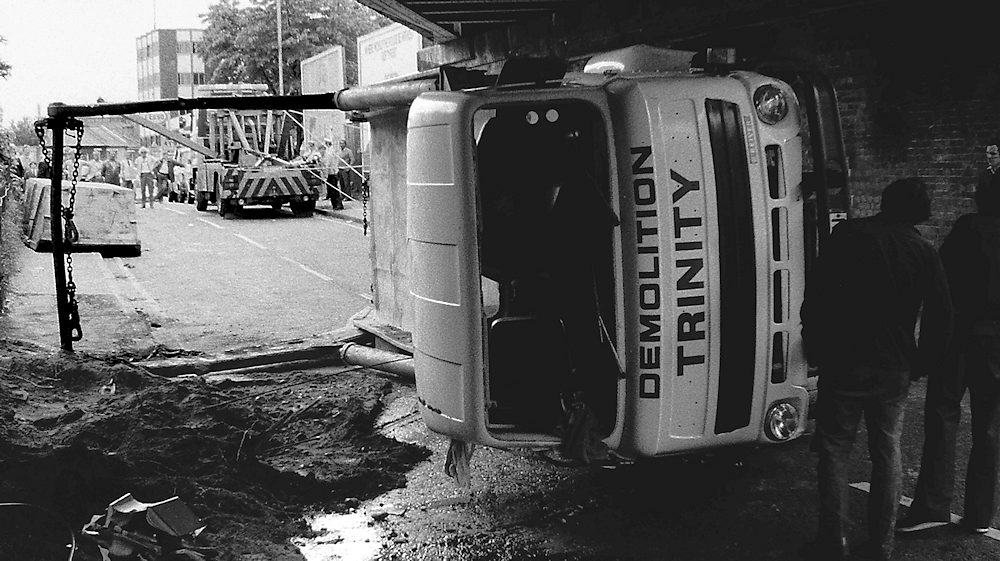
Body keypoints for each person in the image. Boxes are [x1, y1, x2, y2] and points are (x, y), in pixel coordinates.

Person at [802, 177, 953, 560]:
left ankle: (833, 540)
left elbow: (817, 293)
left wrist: (816, 343)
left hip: (844, 359)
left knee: (835, 448)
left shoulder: (849, 235)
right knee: (887, 450)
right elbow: (941, 317)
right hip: (894, 366)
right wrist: (922, 361)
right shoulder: (923, 250)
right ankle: (882, 545)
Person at [897, 174, 1000, 535]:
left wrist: (928, 343)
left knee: (942, 416)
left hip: (960, 336)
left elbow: (941, 283)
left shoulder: (968, 227)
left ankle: (933, 505)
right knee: (989, 428)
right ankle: (980, 514)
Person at [975, 141, 1000, 206]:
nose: (989, 156)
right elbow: (979, 197)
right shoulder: (984, 174)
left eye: (993, 153)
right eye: (987, 153)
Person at [336, 139, 354, 203]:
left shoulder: (348, 151)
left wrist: (349, 167)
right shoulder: (339, 152)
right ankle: (343, 195)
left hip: (345, 169)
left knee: (346, 183)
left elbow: (352, 159)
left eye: (342, 143)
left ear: (345, 144)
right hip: (340, 169)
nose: (341, 145)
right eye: (340, 143)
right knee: (341, 183)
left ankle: (348, 196)